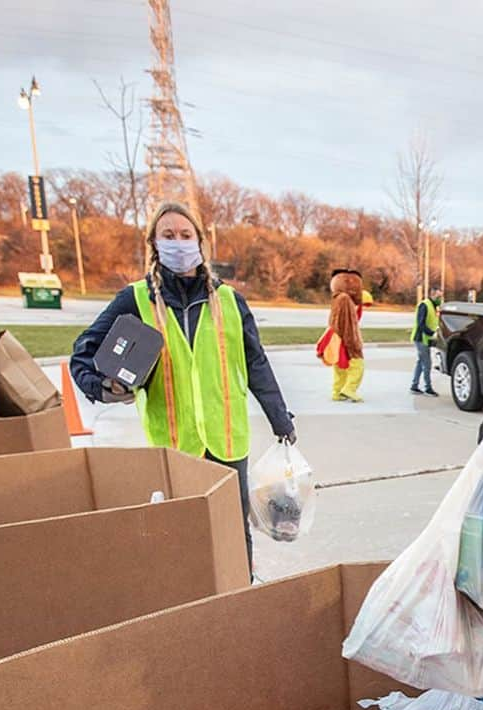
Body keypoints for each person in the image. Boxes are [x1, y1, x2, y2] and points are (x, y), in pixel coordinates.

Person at [70, 201, 295, 573]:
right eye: (168, 235)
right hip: (175, 444)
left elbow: (256, 363)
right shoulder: (136, 299)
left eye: (186, 235)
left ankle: (242, 588)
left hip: (225, 439)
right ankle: (195, 596)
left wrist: (280, 420)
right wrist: (104, 388)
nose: (178, 243)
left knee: (234, 529)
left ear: (200, 242)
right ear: (154, 244)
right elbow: (84, 353)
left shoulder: (229, 300)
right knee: (183, 527)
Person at [324, 269, 366, 402]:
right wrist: (353, 343)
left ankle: (337, 391)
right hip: (346, 339)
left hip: (336, 337)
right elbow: (349, 324)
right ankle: (349, 389)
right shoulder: (345, 299)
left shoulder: (337, 298)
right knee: (357, 365)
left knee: (340, 367)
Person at [410, 285, 442, 396]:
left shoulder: (434, 307)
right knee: (427, 363)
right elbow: (421, 323)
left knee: (421, 362)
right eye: (438, 296)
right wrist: (431, 332)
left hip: (426, 339)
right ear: (432, 294)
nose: (440, 299)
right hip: (421, 338)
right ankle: (428, 388)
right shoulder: (424, 305)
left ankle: (414, 386)